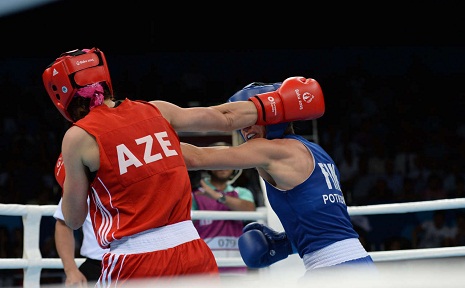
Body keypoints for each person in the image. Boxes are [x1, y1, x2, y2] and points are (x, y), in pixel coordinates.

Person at [42, 47, 324, 285]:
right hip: (192, 250)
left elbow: (74, 219)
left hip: (137, 260)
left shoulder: (78, 137)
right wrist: (279, 103)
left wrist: (72, 178)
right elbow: (225, 117)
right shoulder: (156, 110)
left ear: (61, 96)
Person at [181, 82, 377, 277]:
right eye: (241, 124)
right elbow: (327, 226)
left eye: (252, 118)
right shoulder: (318, 152)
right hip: (359, 264)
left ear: (274, 114)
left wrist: (155, 137)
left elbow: (198, 158)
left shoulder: (271, 151)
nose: (245, 129)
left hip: (333, 270)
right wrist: (284, 244)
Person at [191, 142, 256, 274]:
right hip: (206, 267)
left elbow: (249, 209)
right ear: (208, 165)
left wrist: (215, 196)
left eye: (228, 160)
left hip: (236, 265)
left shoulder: (242, 193)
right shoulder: (195, 195)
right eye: (218, 160)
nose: (223, 165)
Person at [53, 154, 109, 287]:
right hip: (96, 266)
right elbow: (63, 225)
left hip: (136, 260)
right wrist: (71, 270)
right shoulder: (80, 184)